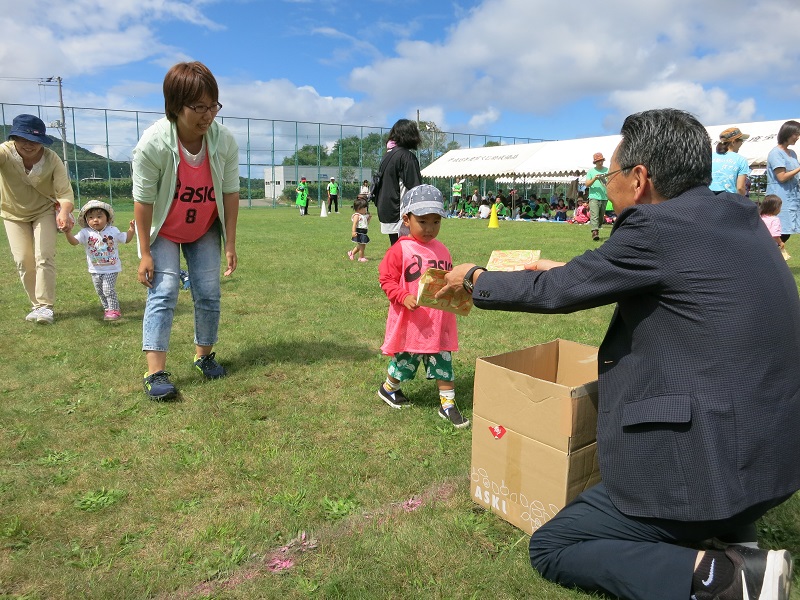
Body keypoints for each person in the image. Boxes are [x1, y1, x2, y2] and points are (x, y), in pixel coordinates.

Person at [441, 108, 800, 600]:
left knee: (554, 546)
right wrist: (574, 268)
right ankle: (735, 530)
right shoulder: (733, 215)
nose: (606, 186)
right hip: (775, 461)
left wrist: (476, 278)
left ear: (639, 178)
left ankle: (729, 579)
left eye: (609, 175)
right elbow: (669, 277)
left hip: (709, 468)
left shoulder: (655, 228)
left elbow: (555, 293)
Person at [132, 61, 240, 401]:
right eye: (199, 107)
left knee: (208, 292)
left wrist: (231, 243)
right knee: (163, 291)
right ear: (176, 106)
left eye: (213, 106)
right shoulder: (153, 144)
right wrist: (145, 252)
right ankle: (155, 373)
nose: (208, 115)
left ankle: (204, 356)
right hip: (164, 228)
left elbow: (230, 192)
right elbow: (144, 200)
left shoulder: (223, 141)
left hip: (205, 227)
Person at [377, 184, 468, 429]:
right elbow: (385, 278)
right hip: (412, 321)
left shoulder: (443, 250)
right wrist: (401, 296)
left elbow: (448, 280)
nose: (430, 228)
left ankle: (447, 405)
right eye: (423, 221)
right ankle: (388, 389)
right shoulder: (400, 249)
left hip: (438, 320)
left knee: (443, 362)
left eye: (436, 222)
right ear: (407, 219)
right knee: (405, 361)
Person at [0, 114, 75, 324]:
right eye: (23, 139)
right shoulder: (5, 152)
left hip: (43, 210)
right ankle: (36, 305)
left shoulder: (52, 159)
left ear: (42, 140)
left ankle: (45, 307)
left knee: (44, 256)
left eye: (34, 140)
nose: (28, 144)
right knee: (23, 260)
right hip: (12, 213)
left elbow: (65, 193)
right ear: (13, 137)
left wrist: (63, 211)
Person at [63, 200, 135, 321]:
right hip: (95, 268)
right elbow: (74, 242)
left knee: (108, 288)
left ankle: (114, 310)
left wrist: (131, 229)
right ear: (86, 220)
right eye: (91, 217)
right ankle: (107, 308)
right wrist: (68, 233)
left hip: (111, 267)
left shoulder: (113, 230)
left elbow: (126, 239)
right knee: (100, 290)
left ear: (107, 218)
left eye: (99, 216)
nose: (95, 220)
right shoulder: (85, 233)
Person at [375, 119, 422, 245]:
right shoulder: (406, 156)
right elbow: (415, 188)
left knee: (396, 246)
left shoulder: (387, 155)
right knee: (407, 248)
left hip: (387, 209)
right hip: (400, 212)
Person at [766, 120, 800, 243]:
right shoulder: (776, 153)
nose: (797, 137)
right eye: (795, 134)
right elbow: (782, 177)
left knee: (786, 232)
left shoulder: (792, 153)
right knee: (778, 231)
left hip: (792, 197)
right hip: (780, 196)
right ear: (787, 133)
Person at [709, 127, 750, 195]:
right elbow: (740, 188)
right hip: (729, 199)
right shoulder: (741, 160)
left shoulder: (710, 157)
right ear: (734, 142)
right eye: (741, 140)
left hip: (708, 197)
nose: (742, 143)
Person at [585, 151, 608, 241]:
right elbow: (587, 184)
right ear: (595, 162)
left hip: (604, 197)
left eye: (601, 160)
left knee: (601, 216)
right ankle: (595, 232)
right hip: (593, 196)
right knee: (594, 215)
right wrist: (594, 178)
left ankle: (597, 226)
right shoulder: (591, 171)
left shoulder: (607, 170)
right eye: (598, 161)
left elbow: (611, 182)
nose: (600, 162)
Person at [760, 194, 789, 259]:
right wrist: (781, 242)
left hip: (758, 243)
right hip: (770, 245)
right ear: (775, 208)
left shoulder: (760, 217)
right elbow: (775, 235)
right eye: (779, 207)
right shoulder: (775, 219)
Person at [347, 197, 371, 263]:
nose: (366, 209)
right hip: (359, 233)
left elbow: (366, 224)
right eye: (364, 208)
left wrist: (369, 219)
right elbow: (354, 224)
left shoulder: (363, 215)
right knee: (362, 246)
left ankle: (352, 253)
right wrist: (353, 232)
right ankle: (361, 257)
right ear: (358, 209)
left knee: (361, 245)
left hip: (364, 232)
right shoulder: (357, 216)